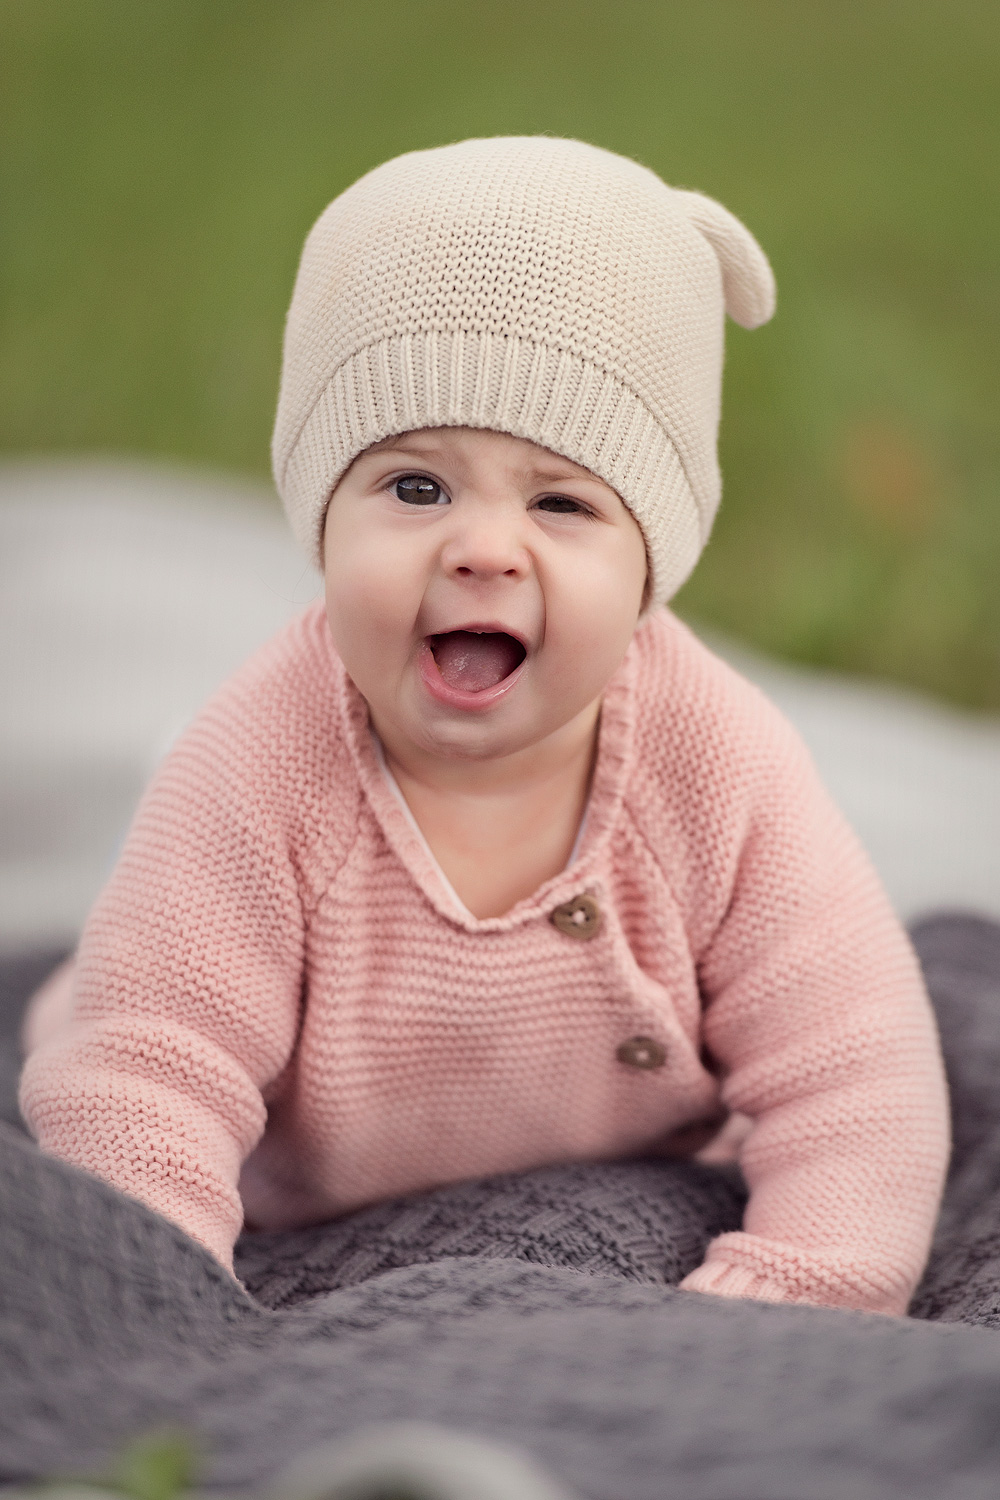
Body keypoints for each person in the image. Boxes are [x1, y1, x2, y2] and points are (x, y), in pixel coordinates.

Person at [19, 137, 949, 1314]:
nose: (482, 547)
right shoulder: (257, 762)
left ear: (656, 562)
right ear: (317, 520)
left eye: (562, 503)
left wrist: (803, 1289)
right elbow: (147, 1068)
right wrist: (153, 1299)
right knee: (118, 1009)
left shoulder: (715, 760)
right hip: (294, 1198)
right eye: (415, 487)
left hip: (644, 1168)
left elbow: (854, 1066)